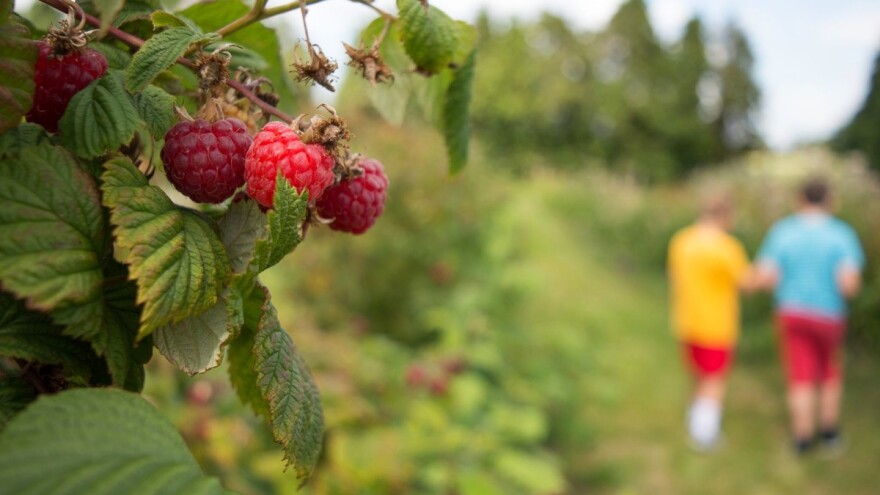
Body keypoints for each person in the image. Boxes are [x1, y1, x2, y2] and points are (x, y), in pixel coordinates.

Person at [755, 178, 864, 456]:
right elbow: (849, 285)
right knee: (829, 374)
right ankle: (829, 434)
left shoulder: (783, 231)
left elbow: (766, 277)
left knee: (800, 376)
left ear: (800, 199)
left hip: (791, 312)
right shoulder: (842, 234)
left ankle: (802, 439)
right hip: (829, 315)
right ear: (829, 200)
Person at [668, 193, 755, 451]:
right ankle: (704, 434)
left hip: (686, 319)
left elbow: (673, 277)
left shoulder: (681, 239)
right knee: (714, 379)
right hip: (716, 324)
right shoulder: (727, 247)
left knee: (697, 375)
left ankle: (695, 419)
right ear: (725, 216)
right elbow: (746, 283)